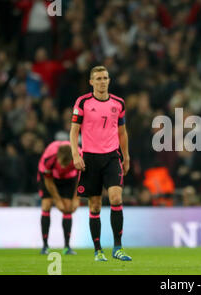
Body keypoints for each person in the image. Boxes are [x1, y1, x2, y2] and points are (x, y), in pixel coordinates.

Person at [70, 66, 131, 262]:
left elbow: (122, 132)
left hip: (112, 157)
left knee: (115, 197)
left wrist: (126, 156)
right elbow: (73, 131)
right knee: (94, 206)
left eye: (105, 78)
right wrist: (75, 154)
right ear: (91, 82)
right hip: (89, 158)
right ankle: (98, 250)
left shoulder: (119, 103)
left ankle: (118, 247)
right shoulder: (83, 102)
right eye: (98, 78)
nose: (102, 81)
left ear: (109, 80)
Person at [37, 140, 81, 255]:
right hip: (50, 177)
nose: (62, 166)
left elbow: (82, 177)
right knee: (46, 204)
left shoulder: (79, 156)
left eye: (66, 164)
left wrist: (77, 198)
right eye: (61, 163)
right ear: (57, 156)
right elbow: (48, 180)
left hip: (68, 178)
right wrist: (56, 200)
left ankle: (67, 247)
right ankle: (45, 246)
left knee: (67, 208)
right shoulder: (49, 156)